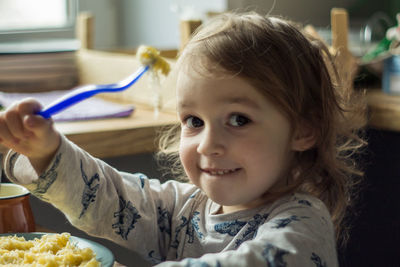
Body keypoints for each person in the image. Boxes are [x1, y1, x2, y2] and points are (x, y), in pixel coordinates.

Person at [0, 12, 366, 266]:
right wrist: (47, 152)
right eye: (193, 120)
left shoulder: (302, 226)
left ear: (304, 130)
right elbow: (111, 197)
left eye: (238, 119)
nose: (207, 145)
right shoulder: (184, 209)